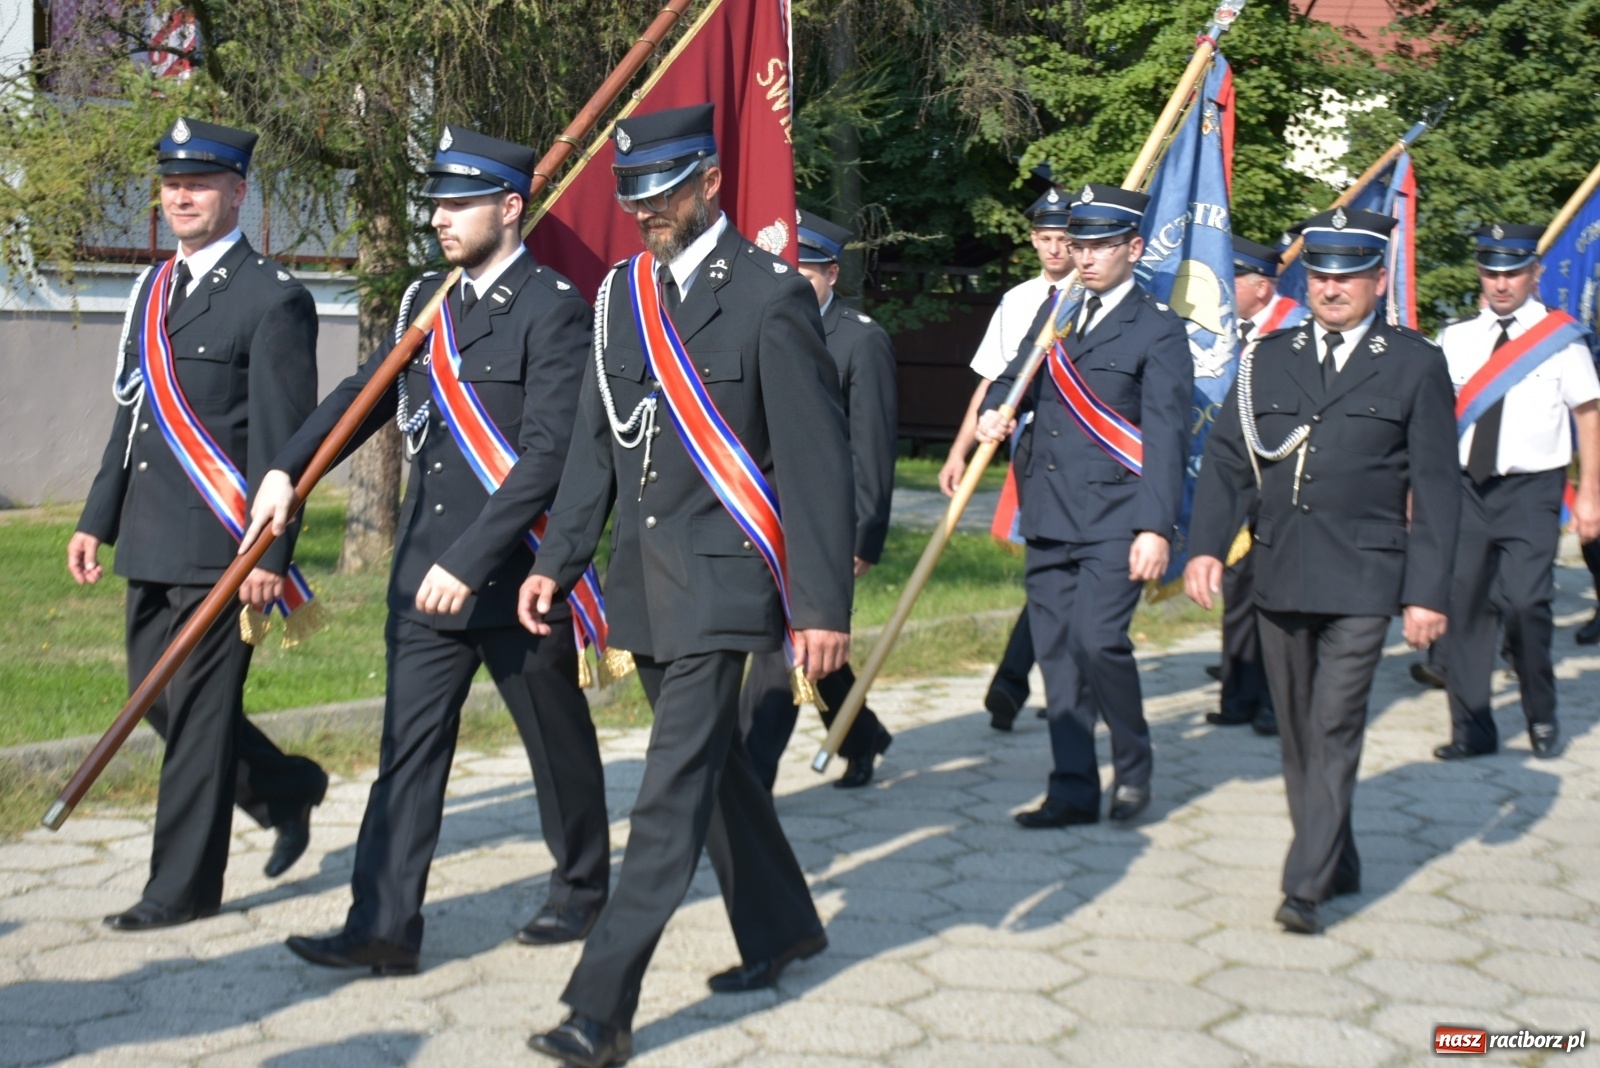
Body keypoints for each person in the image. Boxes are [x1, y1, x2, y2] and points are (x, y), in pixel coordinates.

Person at [518, 103, 854, 1068]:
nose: (645, 210)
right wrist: (557, 562)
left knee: (666, 793)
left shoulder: (768, 296)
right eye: (632, 195)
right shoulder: (619, 297)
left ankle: (601, 1007)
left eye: (662, 191)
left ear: (709, 180)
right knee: (713, 783)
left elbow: (814, 464)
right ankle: (785, 924)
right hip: (645, 585)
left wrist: (821, 608)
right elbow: (593, 448)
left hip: (725, 585)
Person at [243, 127, 608, 975]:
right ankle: (383, 925)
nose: (440, 218)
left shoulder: (554, 307)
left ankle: (584, 888)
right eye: (436, 203)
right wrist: (286, 469)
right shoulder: (427, 304)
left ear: (510, 208)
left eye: (459, 203)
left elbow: (549, 454)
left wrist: (472, 558)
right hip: (422, 574)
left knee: (555, 743)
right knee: (405, 757)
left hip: (515, 576)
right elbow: (358, 398)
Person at [69, 117, 329, 931]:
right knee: (160, 701)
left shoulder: (274, 299)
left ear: (238, 194)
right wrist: (96, 518)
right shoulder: (152, 290)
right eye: (173, 183)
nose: (182, 195)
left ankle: (178, 890)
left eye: (202, 183)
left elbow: (291, 447)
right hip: (150, 537)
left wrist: (270, 553)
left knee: (200, 715)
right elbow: (133, 416)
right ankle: (285, 788)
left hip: (222, 549)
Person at [1185, 207, 1460, 935]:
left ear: (1377, 279)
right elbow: (1226, 461)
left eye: (1347, 276)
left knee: (1335, 724)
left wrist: (1427, 594)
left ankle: (1304, 884)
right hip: (1281, 572)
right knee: (1301, 732)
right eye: (1320, 274)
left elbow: (1436, 489)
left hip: (1367, 578)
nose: (1331, 288)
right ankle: (1338, 855)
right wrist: (1207, 546)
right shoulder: (1267, 358)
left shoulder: (1414, 363)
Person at [975, 183, 1192, 827]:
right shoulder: (1056, 315)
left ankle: (1132, 769)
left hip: (1115, 518)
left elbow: (1167, 439)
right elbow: (1014, 378)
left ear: (1134, 247)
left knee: (1098, 642)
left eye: (1100, 245)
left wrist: (1156, 526)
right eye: (1079, 244)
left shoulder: (1158, 330)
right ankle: (1072, 787)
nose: (1086, 257)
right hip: (1047, 511)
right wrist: (994, 412)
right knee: (1056, 655)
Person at [738, 210, 897, 789]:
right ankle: (861, 733)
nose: (790, 282)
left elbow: (872, 449)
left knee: (783, 653)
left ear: (831, 273)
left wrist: (860, 535)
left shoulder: (860, 339)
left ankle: (750, 778)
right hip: (763, 515)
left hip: (824, 526)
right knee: (803, 643)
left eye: (802, 271)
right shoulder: (764, 326)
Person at [1431, 223, 1600, 761]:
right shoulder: (1456, 338)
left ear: (1535, 273)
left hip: (1532, 490)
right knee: (1466, 609)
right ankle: (1472, 728)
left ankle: (1541, 710)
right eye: (1491, 271)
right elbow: (1432, 418)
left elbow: (1589, 416)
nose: (1501, 283)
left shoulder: (1560, 338)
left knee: (1527, 604)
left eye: (1512, 272)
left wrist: (1590, 493)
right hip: (1465, 489)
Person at [941, 188, 1077, 730]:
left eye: (1064, 239)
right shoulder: (1020, 299)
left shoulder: (1095, 294)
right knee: (1048, 565)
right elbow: (992, 383)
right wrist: (959, 449)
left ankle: (1024, 679)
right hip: (1033, 446)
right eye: (1045, 239)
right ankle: (1035, 681)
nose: (1055, 250)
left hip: (1092, 449)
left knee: (1067, 572)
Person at [1203, 236, 1308, 737]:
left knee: (1277, 595)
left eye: (1234, 280)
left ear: (1262, 288)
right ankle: (1238, 694)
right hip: (1236, 479)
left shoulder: (1297, 331)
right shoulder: (1234, 334)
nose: (1224, 289)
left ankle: (1275, 702)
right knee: (1238, 588)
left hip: (1280, 480)